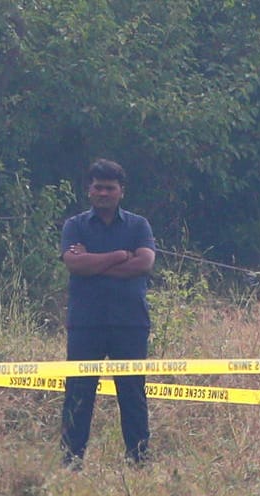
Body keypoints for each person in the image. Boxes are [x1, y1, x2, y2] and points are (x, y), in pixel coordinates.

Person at [59, 158, 156, 467]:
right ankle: (71, 461)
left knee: (132, 394)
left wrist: (95, 264)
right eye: (98, 187)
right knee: (78, 393)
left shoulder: (139, 225)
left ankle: (138, 460)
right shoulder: (74, 225)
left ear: (121, 192)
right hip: (85, 324)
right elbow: (75, 264)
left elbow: (144, 264)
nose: (103, 193)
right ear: (89, 190)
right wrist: (116, 257)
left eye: (109, 188)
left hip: (130, 323)